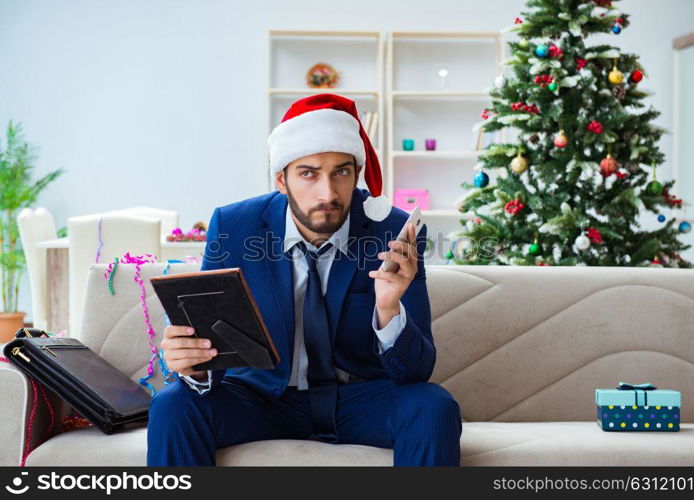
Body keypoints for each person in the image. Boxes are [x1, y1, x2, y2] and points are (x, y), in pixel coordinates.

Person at [147, 93, 462, 466]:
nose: (327, 193)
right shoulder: (234, 226)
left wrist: (388, 307)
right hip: (261, 399)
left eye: (341, 172)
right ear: (281, 179)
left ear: (357, 174)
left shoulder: (393, 229)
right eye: (308, 173)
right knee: (174, 403)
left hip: (358, 400)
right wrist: (192, 363)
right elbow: (207, 339)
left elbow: (416, 371)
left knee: (433, 405)